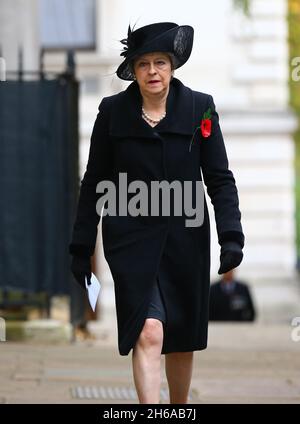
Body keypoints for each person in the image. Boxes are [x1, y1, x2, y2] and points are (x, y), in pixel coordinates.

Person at [69, 22, 245, 404]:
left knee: (180, 337)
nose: (152, 71)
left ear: (173, 66)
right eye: (144, 63)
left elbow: (219, 178)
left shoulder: (201, 108)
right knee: (148, 330)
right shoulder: (113, 111)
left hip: (186, 239)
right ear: (133, 70)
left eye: (160, 62)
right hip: (132, 238)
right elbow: (95, 181)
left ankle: (177, 409)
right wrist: (80, 245)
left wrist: (230, 236)